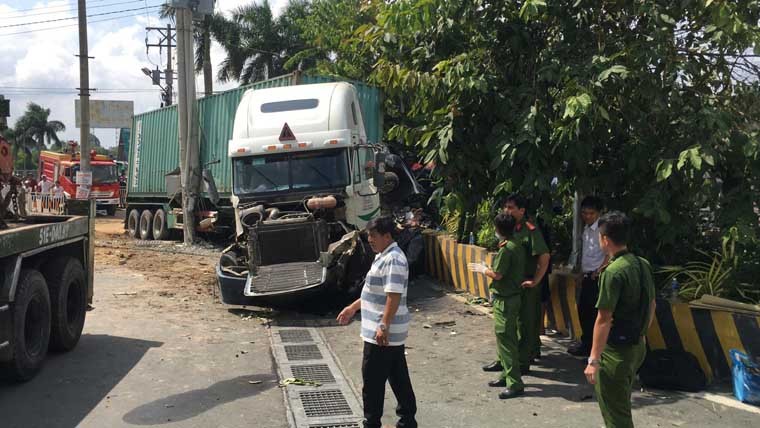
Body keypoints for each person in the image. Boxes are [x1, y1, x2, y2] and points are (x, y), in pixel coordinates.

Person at [337, 216, 417, 428]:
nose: (370, 240)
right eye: (369, 236)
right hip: (385, 332)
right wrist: (353, 308)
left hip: (381, 333)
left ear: (387, 236)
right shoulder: (384, 255)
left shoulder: (393, 260)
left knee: (372, 382)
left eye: (373, 236)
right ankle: (407, 420)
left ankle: (372, 423)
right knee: (398, 377)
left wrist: (383, 326)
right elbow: (374, 292)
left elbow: (393, 296)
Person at [584, 211, 656, 428]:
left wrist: (593, 360)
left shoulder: (613, 272)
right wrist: (642, 333)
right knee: (620, 402)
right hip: (636, 346)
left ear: (605, 239)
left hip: (616, 353)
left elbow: (603, 319)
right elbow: (652, 304)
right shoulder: (642, 264)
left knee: (616, 413)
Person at [469, 213, 526, 399]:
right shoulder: (516, 244)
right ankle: (506, 375)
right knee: (505, 340)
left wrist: (483, 269)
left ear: (499, 229)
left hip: (506, 299)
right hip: (512, 297)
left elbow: (498, 274)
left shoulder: (506, 249)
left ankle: (515, 383)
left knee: (507, 341)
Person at [568, 196, 609, 357]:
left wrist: (598, 271)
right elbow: (586, 253)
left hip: (596, 277)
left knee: (593, 315)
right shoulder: (586, 229)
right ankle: (586, 345)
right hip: (586, 275)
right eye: (584, 213)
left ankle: (595, 350)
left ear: (599, 213)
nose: (587, 216)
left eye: (591, 213)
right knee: (583, 312)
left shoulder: (602, 230)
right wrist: (581, 273)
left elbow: (608, 254)